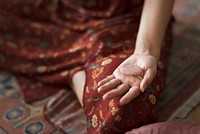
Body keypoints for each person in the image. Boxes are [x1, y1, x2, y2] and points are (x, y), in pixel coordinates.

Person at [0, 0, 174, 133]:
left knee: (120, 110)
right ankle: (76, 72)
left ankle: (72, 73)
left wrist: (144, 51)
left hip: (125, 19)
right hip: (53, 11)